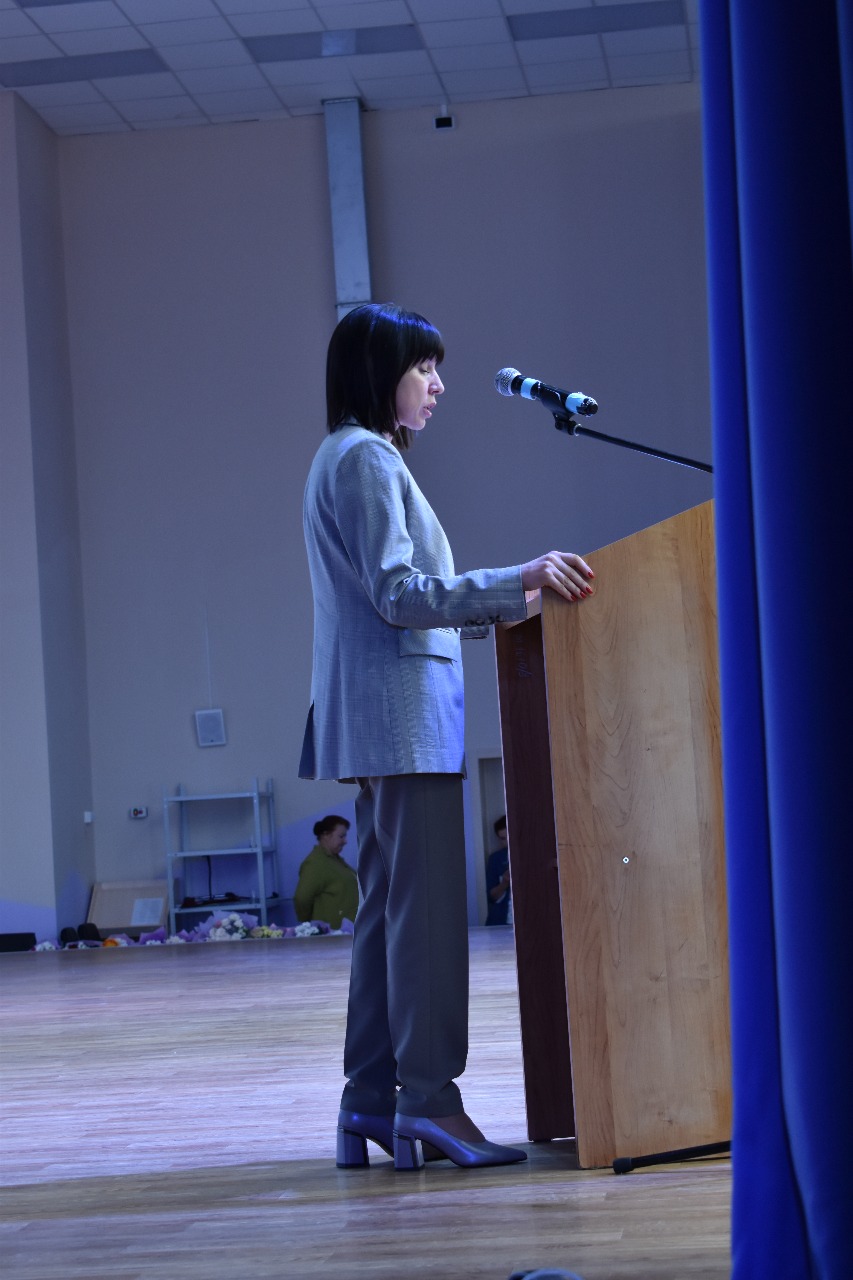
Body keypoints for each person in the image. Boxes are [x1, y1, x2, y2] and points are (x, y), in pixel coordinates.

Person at [299, 302, 595, 1172]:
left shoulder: (346, 455)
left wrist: (513, 598)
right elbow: (398, 595)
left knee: (388, 921)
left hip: (383, 718)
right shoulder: (366, 458)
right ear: (377, 373)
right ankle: (429, 1104)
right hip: (402, 721)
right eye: (422, 367)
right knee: (424, 923)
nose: (437, 385)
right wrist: (514, 576)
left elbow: (396, 601)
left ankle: (368, 1101)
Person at [293, 815, 358, 929]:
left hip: (348, 930)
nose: (345, 841)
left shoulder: (334, 860)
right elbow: (301, 899)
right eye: (341, 836)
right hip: (335, 932)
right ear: (326, 835)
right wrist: (309, 924)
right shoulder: (315, 863)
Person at [485, 815, 511, 926]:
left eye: (509, 836)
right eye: (503, 838)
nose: (508, 841)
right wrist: (504, 883)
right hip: (500, 921)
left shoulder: (533, 855)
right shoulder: (496, 859)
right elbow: (491, 897)